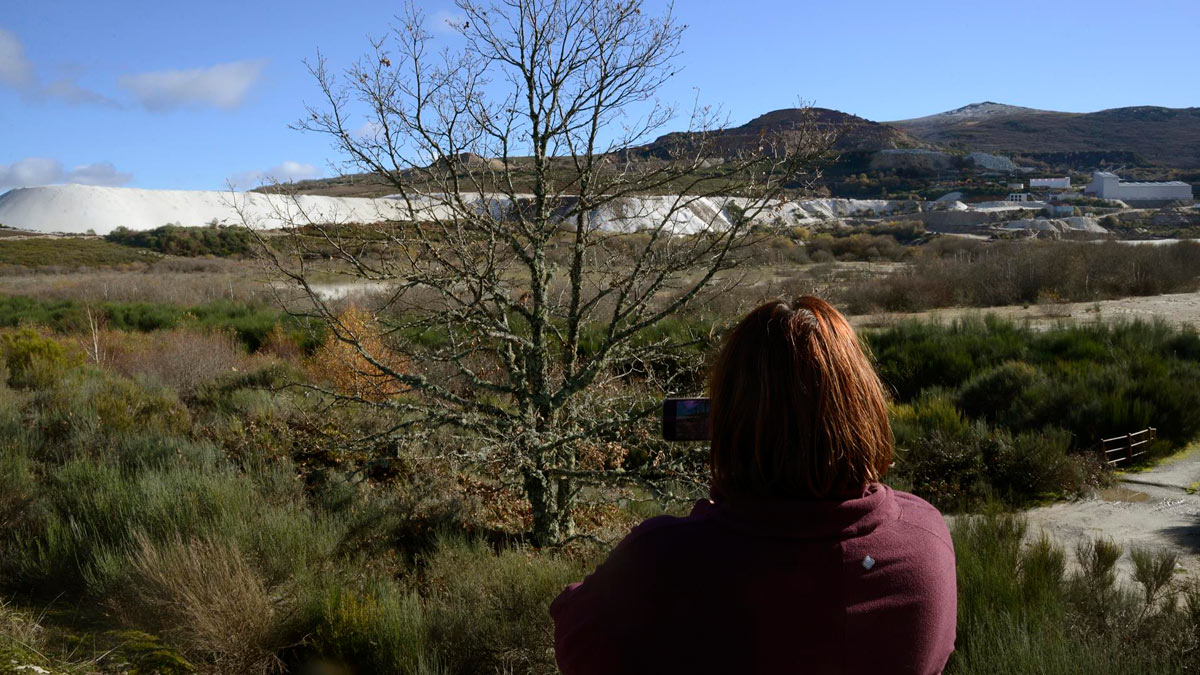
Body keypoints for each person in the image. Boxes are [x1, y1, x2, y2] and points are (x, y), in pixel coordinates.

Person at [550, 297, 957, 674]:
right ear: (864, 406)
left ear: (727, 424)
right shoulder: (924, 537)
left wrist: (709, 519)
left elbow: (575, 639)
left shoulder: (663, 561)